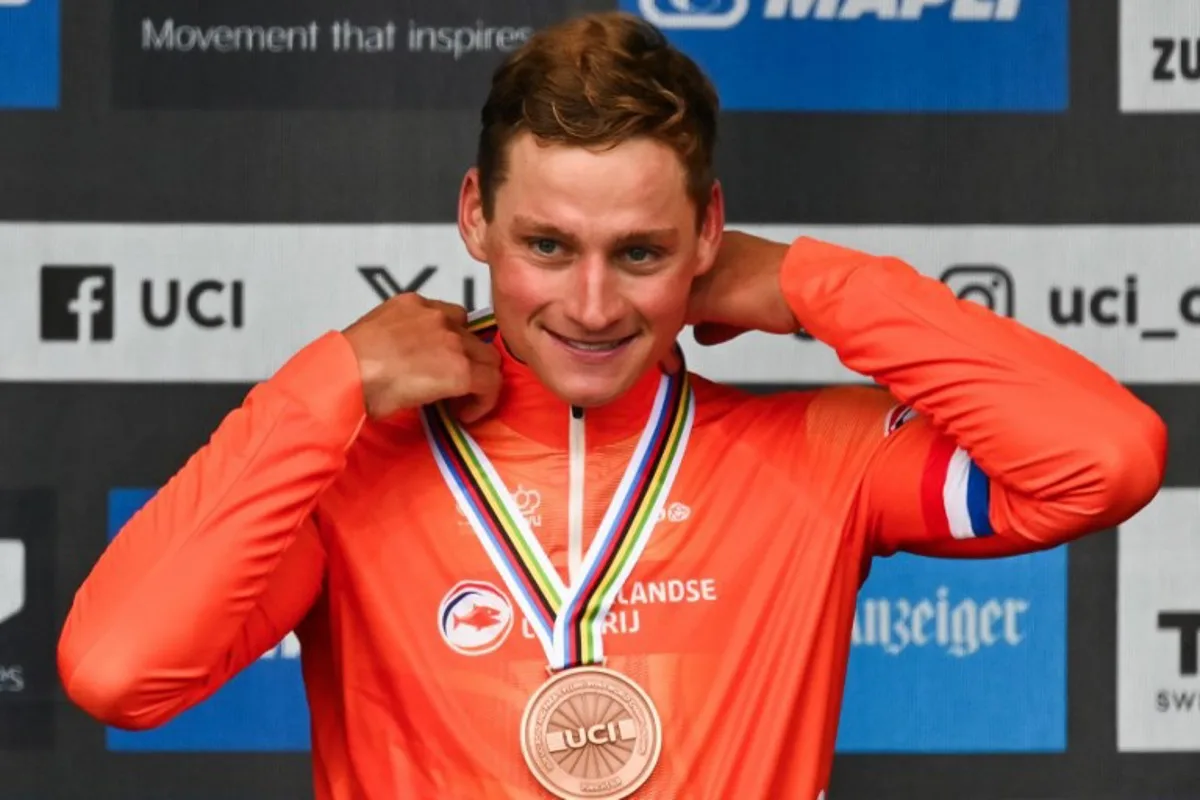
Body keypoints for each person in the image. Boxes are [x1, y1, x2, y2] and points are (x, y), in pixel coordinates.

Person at [57, 11, 1167, 800]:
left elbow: (1104, 457)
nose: (591, 304)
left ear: (706, 232)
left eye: (639, 251)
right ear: (475, 219)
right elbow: (117, 670)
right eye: (548, 245)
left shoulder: (818, 459)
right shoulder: (351, 469)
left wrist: (819, 285)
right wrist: (325, 387)